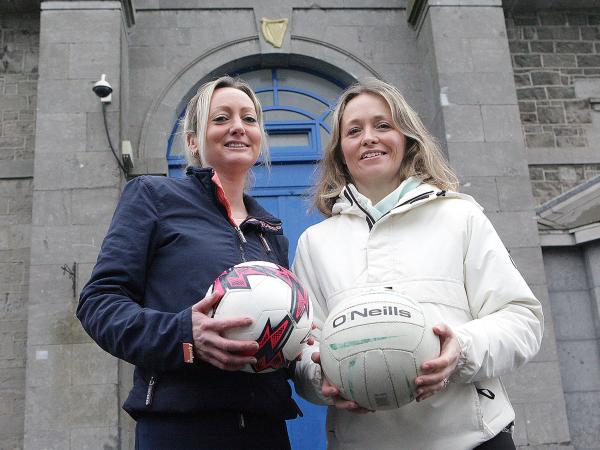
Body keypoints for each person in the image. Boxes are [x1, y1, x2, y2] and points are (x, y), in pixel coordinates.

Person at [292, 78, 543, 450]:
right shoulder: (315, 243)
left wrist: (461, 349)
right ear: (340, 151)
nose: (369, 138)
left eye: (383, 125)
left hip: (475, 440)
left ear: (407, 137)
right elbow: (301, 348)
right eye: (354, 130)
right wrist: (321, 377)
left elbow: (523, 320)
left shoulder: (460, 217)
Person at [77, 76, 300, 449]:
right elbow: (98, 303)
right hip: (179, 429)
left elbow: (281, 335)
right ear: (194, 141)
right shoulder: (153, 197)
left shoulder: (270, 232)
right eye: (221, 118)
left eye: (249, 119)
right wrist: (185, 336)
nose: (237, 128)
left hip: (266, 430)